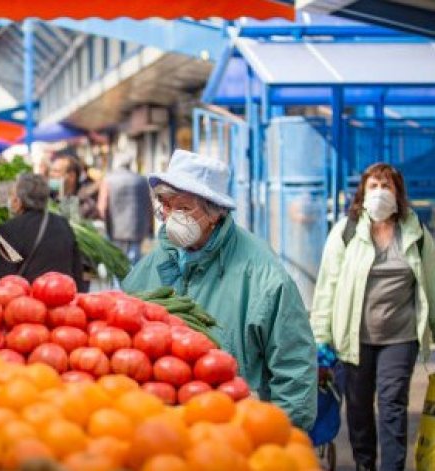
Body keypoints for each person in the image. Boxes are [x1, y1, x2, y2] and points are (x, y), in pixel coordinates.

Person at [122, 149, 317, 430]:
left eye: (184, 208)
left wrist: (278, 439)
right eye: (165, 204)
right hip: (160, 432)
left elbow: (294, 371)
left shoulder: (265, 279)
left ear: (216, 213)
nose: (170, 215)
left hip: (232, 431)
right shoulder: (150, 267)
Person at [311, 163, 435, 471]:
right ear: (363, 193)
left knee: (393, 407)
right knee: (358, 410)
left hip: (400, 337)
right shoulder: (346, 232)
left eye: (387, 186)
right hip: (353, 340)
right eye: (374, 186)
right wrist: (319, 340)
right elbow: (327, 287)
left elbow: (432, 285)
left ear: (398, 193)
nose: (380, 193)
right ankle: (364, 465)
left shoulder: (415, 233)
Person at [0, 173, 86, 291]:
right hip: (62, 297)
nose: (11, 199)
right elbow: (77, 271)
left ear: (19, 201)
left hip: (29, 302)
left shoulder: (9, 229)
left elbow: (2, 278)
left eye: (13, 195)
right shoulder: (63, 223)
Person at [97, 150, 152, 264]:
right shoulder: (141, 180)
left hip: (115, 228)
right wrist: (149, 224)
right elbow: (149, 204)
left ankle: (120, 281)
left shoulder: (108, 179)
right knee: (134, 259)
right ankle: (133, 280)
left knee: (117, 261)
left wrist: (102, 224)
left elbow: (102, 206)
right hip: (137, 227)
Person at [49, 154, 99, 220]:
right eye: (51, 170)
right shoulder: (48, 198)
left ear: (72, 176)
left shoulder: (85, 203)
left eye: (56, 171)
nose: (51, 174)